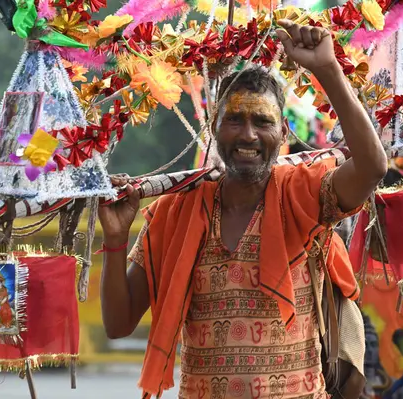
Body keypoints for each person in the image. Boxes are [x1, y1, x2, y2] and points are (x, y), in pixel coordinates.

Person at [98, 19, 387, 398]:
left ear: (283, 134)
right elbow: (118, 324)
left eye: (262, 121)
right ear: (214, 128)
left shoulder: (303, 195)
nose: (248, 135)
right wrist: (116, 239)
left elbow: (372, 167)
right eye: (234, 119)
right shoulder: (175, 210)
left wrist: (327, 69)